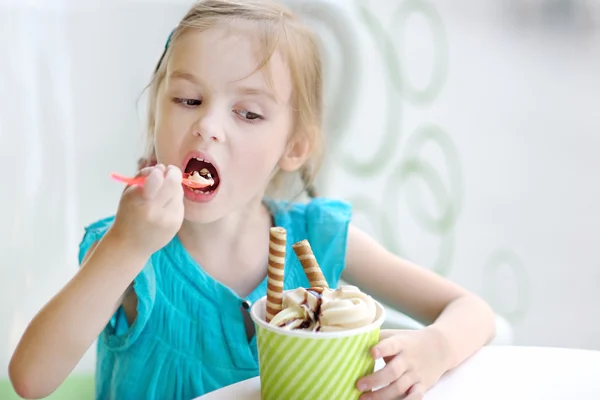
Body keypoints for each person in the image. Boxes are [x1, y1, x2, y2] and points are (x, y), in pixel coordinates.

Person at [8, 1, 496, 399]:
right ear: (156, 116)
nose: (207, 126)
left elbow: (471, 310)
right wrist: (127, 245)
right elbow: (31, 378)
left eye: (248, 113)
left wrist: (434, 349)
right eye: (188, 100)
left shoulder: (318, 237)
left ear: (294, 148)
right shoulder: (129, 253)